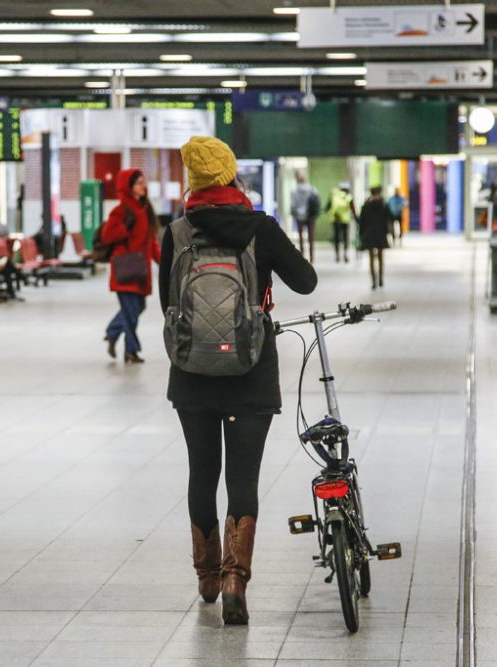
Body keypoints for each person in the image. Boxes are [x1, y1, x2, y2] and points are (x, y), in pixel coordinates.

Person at [161, 136, 317, 626]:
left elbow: (165, 297)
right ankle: (234, 582)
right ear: (230, 175)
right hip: (250, 371)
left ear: (193, 181)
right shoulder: (259, 227)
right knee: (242, 478)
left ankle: (206, 576)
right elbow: (307, 281)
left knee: (202, 473)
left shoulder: (178, 233)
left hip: (192, 374)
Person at [102, 168, 161, 364]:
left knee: (137, 308)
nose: (143, 186)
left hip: (140, 271)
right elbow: (107, 236)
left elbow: (151, 241)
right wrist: (125, 227)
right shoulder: (121, 211)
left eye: (144, 182)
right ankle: (131, 351)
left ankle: (112, 332)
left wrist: (162, 260)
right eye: (138, 183)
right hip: (126, 269)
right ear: (128, 187)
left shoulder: (145, 210)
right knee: (130, 311)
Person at [358, 186, 395, 289]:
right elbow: (391, 217)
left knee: (371, 258)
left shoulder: (365, 206)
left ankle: (373, 281)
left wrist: (361, 236)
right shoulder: (383, 205)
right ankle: (381, 278)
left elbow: (361, 222)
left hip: (369, 235)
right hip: (380, 234)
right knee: (380, 256)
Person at [289, 172, 320, 263]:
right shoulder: (312, 189)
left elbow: (293, 205)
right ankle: (312, 257)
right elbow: (316, 202)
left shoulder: (294, 191)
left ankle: (302, 257)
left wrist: (295, 213)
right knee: (311, 237)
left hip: (299, 216)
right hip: (310, 216)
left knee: (301, 237)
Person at [327, 182, 355, 263]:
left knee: (336, 237)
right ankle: (345, 255)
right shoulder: (349, 197)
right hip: (345, 220)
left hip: (335, 219)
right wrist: (357, 218)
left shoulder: (334, 195)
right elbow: (353, 209)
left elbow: (328, 206)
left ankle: (337, 255)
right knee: (345, 238)